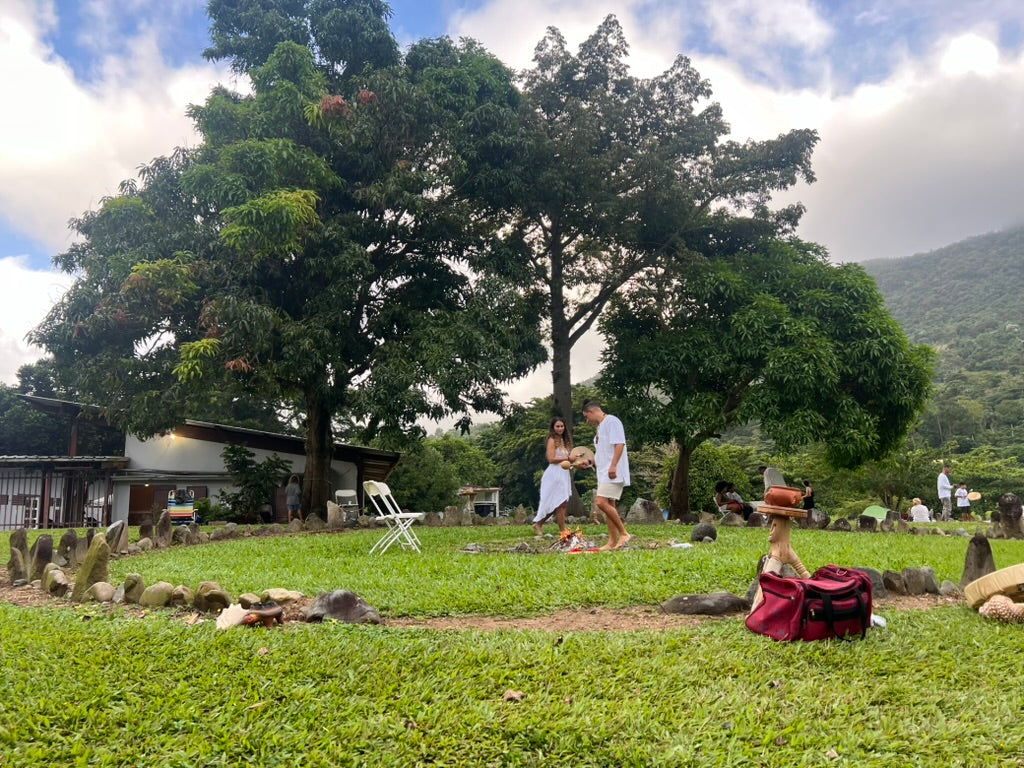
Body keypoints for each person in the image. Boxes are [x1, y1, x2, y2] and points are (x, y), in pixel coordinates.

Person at [582, 399, 631, 550]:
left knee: (601, 502)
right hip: (603, 472)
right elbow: (602, 452)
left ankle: (624, 533)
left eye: (586, 416)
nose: (587, 421)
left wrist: (614, 466)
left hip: (613, 471)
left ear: (591, 411)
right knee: (609, 505)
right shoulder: (600, 428)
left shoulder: (612, 421)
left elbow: (620, 444)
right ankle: (611, 542)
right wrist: (589, 462)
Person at [532, 417, 572, 537]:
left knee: (562, 503)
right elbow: (551, 459)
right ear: (553, 428)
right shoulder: (552, 440)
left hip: (564, 474)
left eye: (562, 426)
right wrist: (568, 458)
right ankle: (562, 530)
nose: (560, 428)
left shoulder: (566, 441)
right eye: (557, 426)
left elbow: (569, 460)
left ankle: (539, 523)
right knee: (558, 502)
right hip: (554, 474)